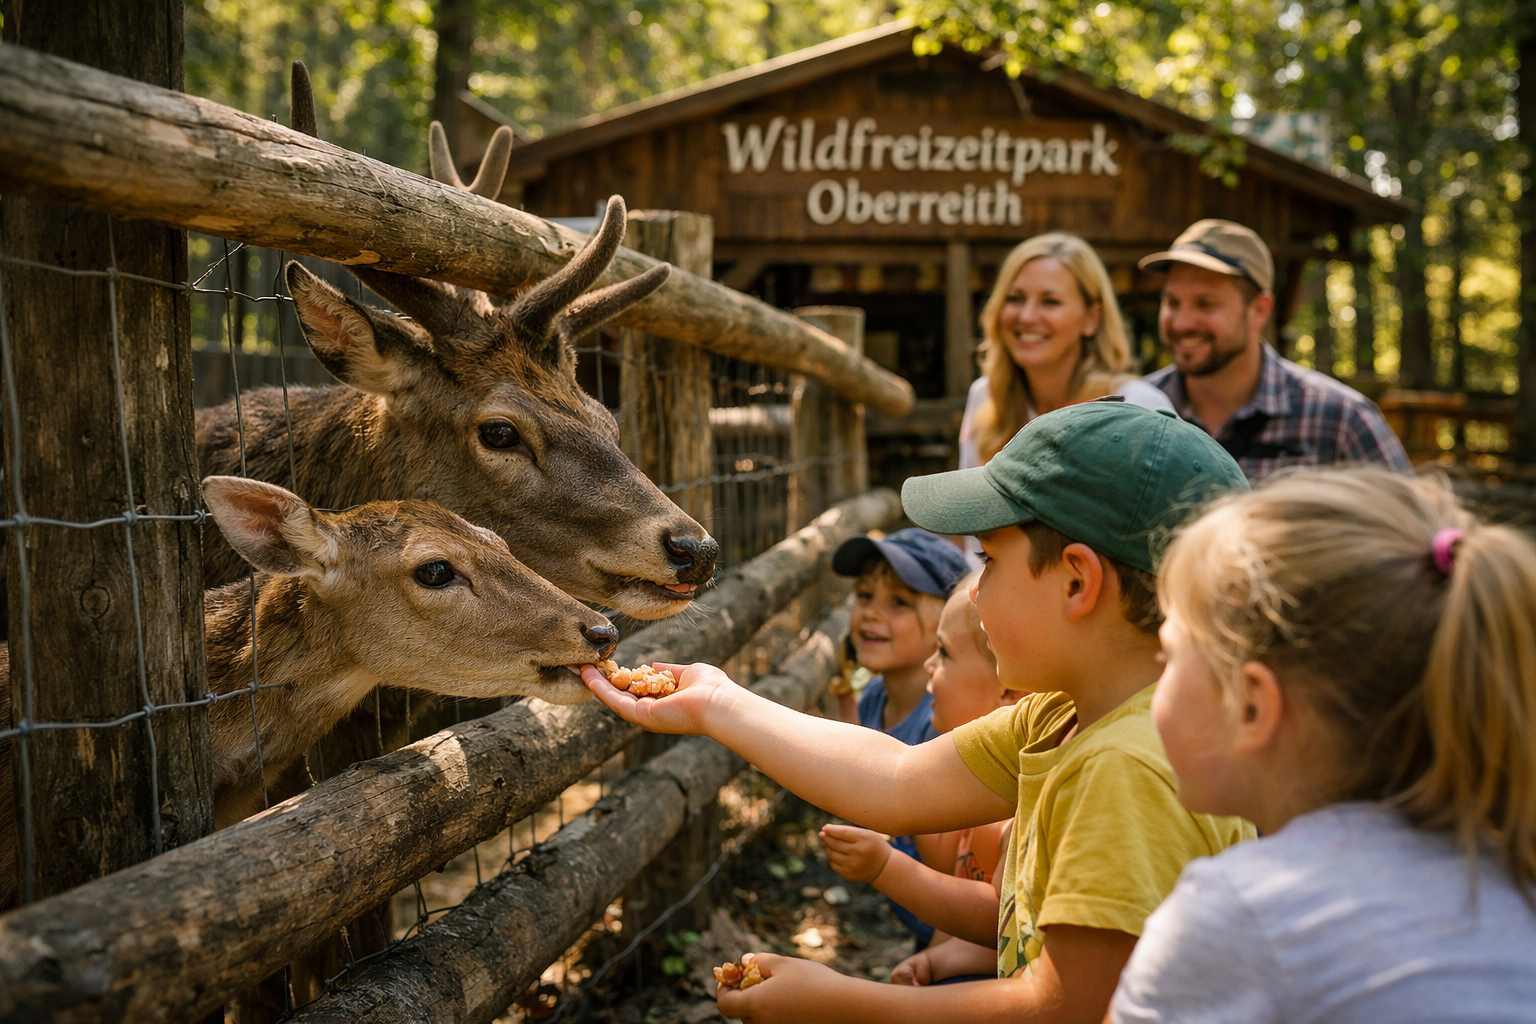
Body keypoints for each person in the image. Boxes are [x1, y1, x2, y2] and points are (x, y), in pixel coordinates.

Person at [581, 400, 1256, 1024]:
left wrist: (844, 1004)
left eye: (989, 561)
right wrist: (718, 703)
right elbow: (897, 778)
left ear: (1077, 581)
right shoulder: (1065, 715)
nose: (977, 590)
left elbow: (1062, 1007)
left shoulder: (1127, 767)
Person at [1111, 469, 1536, 1023]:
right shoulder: (1511, 862)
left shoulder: (1243, 914)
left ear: (1252, 706)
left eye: (1169, 659)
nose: (1157, 680)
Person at [820, 573, 1022, 986]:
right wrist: (934, 960)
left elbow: (994, 919)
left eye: (943, 654)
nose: (931, 664)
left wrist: (885, 867)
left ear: (1007, 689)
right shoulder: (968, 774)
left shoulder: (1015, 807)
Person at [1139, 219, 1410, 480]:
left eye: (1206, 304)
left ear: (1259, 310)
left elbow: (1417, 523)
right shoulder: (1137, 413)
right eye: (1172, 302)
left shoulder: (1341, 421)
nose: (1182, 322)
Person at [830, 527, 970, 948]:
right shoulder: (873, 697)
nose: (871, 614)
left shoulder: (947, 726)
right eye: (864, 595)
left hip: (965, 942)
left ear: (946, 621)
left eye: (898, 603)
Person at [959, 232, 1171, 472]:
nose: (1026, 316)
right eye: (1015, 298)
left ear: (1092, 318)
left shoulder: (1137, 406)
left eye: (1050, 301)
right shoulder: (986, 397)